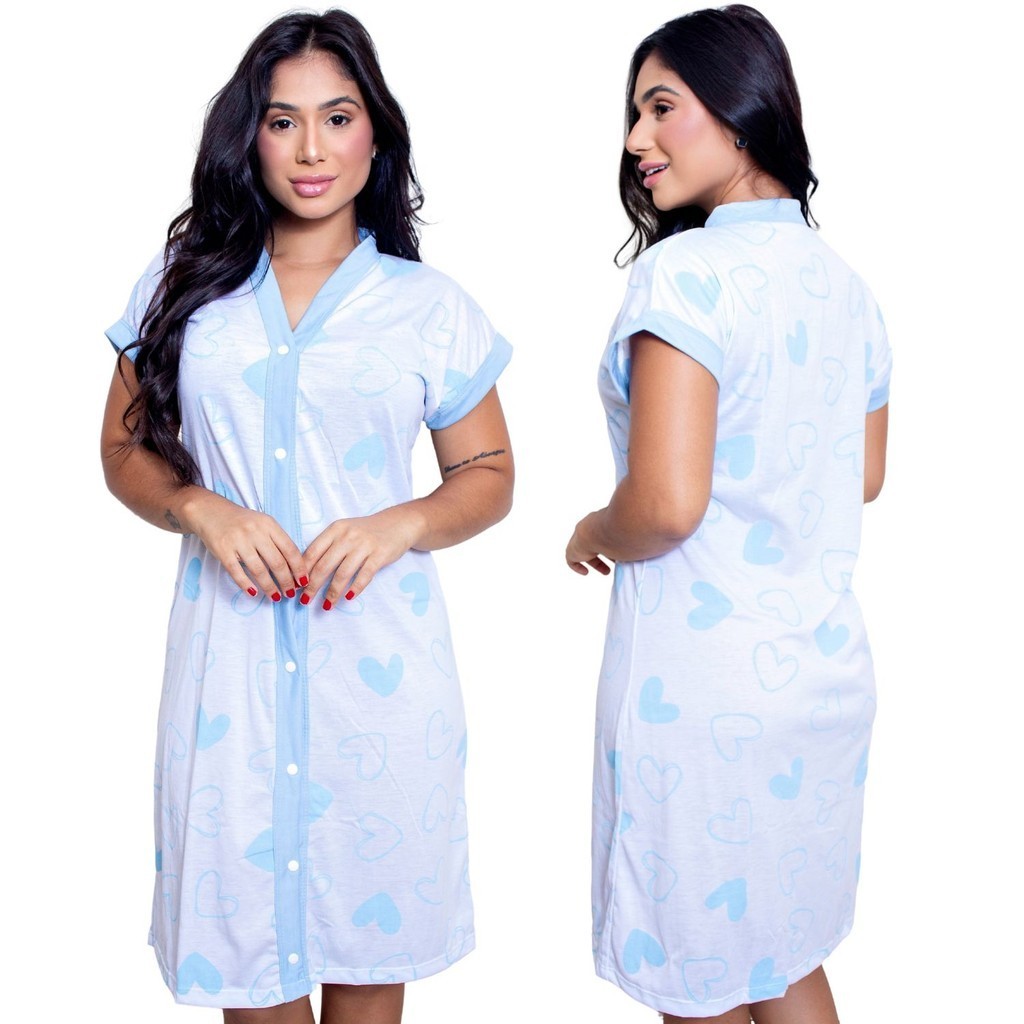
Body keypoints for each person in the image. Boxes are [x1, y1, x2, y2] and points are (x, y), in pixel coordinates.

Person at [100, 10, 513, 1023]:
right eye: (283, 121)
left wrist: (398, 523)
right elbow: (121, 451)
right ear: (250, 136)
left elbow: (489, 471)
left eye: (337, 117)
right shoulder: (181, 288)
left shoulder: (429, 306)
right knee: (249, 969)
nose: (312, 148)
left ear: (376, 133)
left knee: (368, 965)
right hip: (228, 687)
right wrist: (196, 504)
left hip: (380, 687)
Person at [565, 6, 890, 1022]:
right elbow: (864, 473)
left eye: (661, 107)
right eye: (634, 113)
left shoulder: (686, 273)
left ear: (741, 111)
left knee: (697, 979)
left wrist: (592, 530)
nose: (636, 138)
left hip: (702, 699)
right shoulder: (845, 287)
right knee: (784, 954)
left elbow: (665, 505)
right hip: (821, 678)